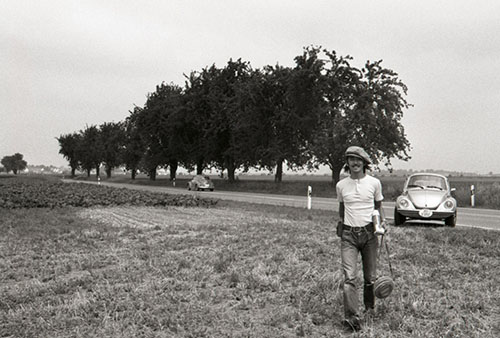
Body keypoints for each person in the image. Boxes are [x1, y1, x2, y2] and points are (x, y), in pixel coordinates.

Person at [335, 146, 387, 331]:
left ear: (364, 163)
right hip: (348, 235)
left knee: (370, 278)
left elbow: (378, 206)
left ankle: (369, 309)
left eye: (358, 160)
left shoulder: (374, 183)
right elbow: (342, 208)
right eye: (351, 159)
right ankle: (352, 319)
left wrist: (382, 223)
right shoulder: (341, 185)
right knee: (349, 278)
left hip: (369, 234)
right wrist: (341, 224)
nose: (354, 163)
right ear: (347, 163)